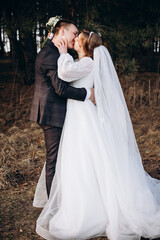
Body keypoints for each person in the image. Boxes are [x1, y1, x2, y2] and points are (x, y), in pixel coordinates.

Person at [35, 30, 160, 240]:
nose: (74, 40)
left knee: (87, 158)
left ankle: (91, 208)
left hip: (83, 118)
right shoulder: (82, 62)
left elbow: (64, 74)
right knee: (81, 160)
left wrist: (63, 52)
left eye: (77, 39)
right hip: (78, 117)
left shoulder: (88, 63)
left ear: (84, 46)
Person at [30, 20, 95, 199]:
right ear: (63, 32)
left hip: (56, 113)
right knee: (54, 161)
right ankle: (54, 205)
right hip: (52, 115)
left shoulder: (54, 52)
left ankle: (66, 198)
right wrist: (87, 93)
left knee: (62, 159)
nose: (75, 38)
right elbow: (61, 89)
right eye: (74, 33)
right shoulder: (51, 55)